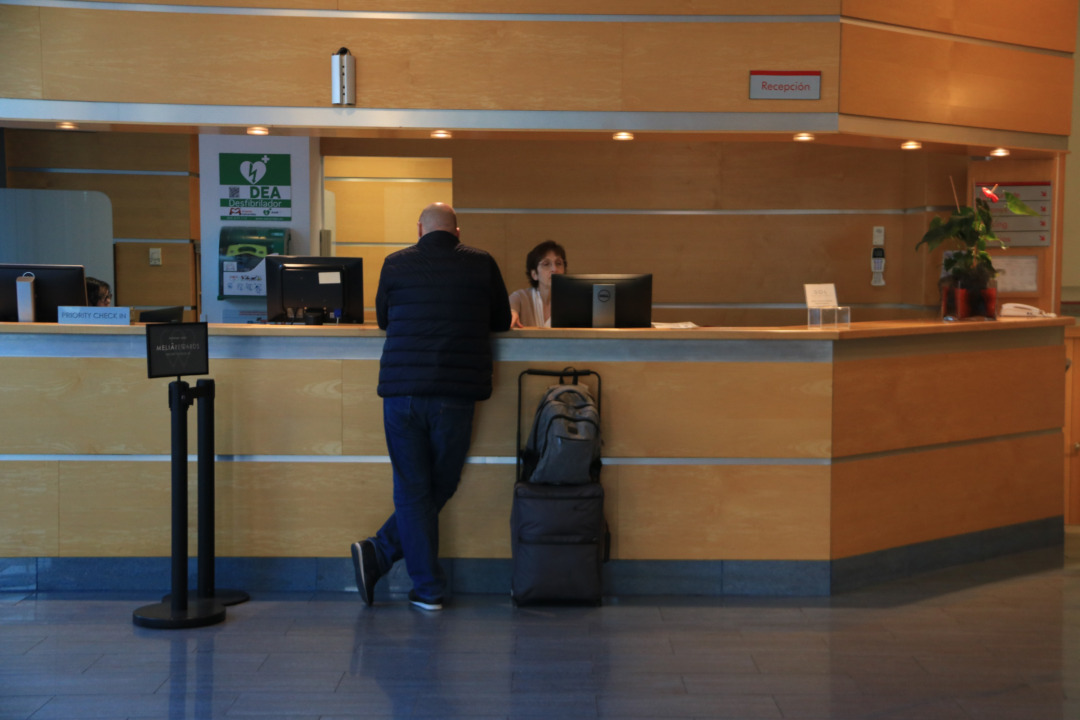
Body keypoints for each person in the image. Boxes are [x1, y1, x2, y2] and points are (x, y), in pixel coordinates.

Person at [352, 202, 512, 611]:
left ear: (419, 229)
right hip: (454, 396)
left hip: (401, 393)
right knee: (439, 485)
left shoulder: (395, 263)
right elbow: (499, 320)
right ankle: (416, 579)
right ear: (457, 232)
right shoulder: (481, 263)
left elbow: (385, 320)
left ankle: (387, 557)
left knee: (413, 489)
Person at [509, 240, 567, 328]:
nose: (554, 269)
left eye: (558, 263)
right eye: (546, 264)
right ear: (534, 274)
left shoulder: (573, 301)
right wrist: (512, 314)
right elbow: (510, 310)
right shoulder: (520, 297)